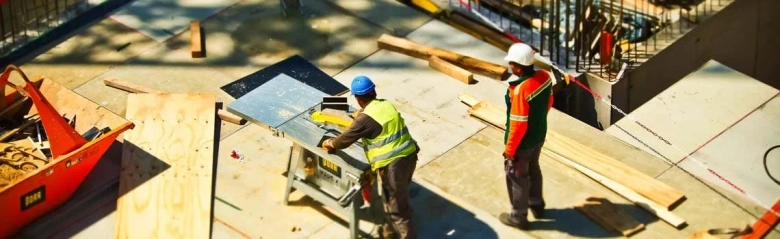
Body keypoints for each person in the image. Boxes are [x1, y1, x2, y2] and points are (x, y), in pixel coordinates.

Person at [321, 75, 419, 239]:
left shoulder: (364, 120)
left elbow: (344, 140)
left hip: (393, 166)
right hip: (410, 156)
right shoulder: (385, 104)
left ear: (358, 98)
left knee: (398, 210)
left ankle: (405, 234)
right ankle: (389, 233)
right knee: (394, 198)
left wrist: (330, 143)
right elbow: (376, 119)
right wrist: (361, 115)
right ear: (373, 92)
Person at [498, 43, 554, 230]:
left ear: (519, 67)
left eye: (511, 63)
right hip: (539, 136)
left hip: (523, 144)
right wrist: (537, 122)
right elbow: (549, 101)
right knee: (534, 169)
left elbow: (518, 124)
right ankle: (537, 205)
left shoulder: (521, 89)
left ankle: (518, 218)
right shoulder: (544, 77)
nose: (510, 67)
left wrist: (510, 150)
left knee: (517, 177)